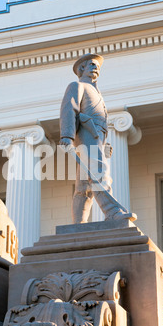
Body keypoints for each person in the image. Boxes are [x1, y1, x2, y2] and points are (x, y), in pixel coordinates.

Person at [59, 53, 136, 224]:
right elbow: (69, 109)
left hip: (96, 137)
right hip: (86, 134)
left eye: (97, 66)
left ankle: (78, 224)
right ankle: (112, 212)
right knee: (99, 172)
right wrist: (67, 136)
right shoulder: (77, 86)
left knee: (84, 187)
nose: (96, 68)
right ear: (82, 69)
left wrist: (104, 144)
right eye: (92, 65)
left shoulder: (97, 93)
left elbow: (101, 120)